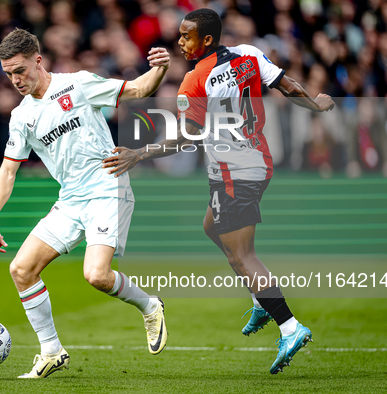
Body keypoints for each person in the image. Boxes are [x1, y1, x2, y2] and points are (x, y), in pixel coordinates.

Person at [102, 9, 335, 374]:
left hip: (234, 172)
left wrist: (139, 153)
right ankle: (262, 300)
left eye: (186, 36)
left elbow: (184, 136)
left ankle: (290, 326)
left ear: (206, 40)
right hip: (257, 159)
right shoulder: (249, 53)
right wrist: (316, 105)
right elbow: (287, 85)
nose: (179, 42)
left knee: (243, 257)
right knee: (212, 228)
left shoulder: (194, 81)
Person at [0, 28, 170, 379]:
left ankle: (150, 306)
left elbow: (139, 89)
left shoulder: (78, 84)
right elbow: (8, 172)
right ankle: (51, 351)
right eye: (9, 74)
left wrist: (160, 67)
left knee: (96, 275)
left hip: (107, 188)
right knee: (21, 270)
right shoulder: (22, 116)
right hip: (70, 199)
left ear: (38, 60)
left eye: (20, 70)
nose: (16, 80)